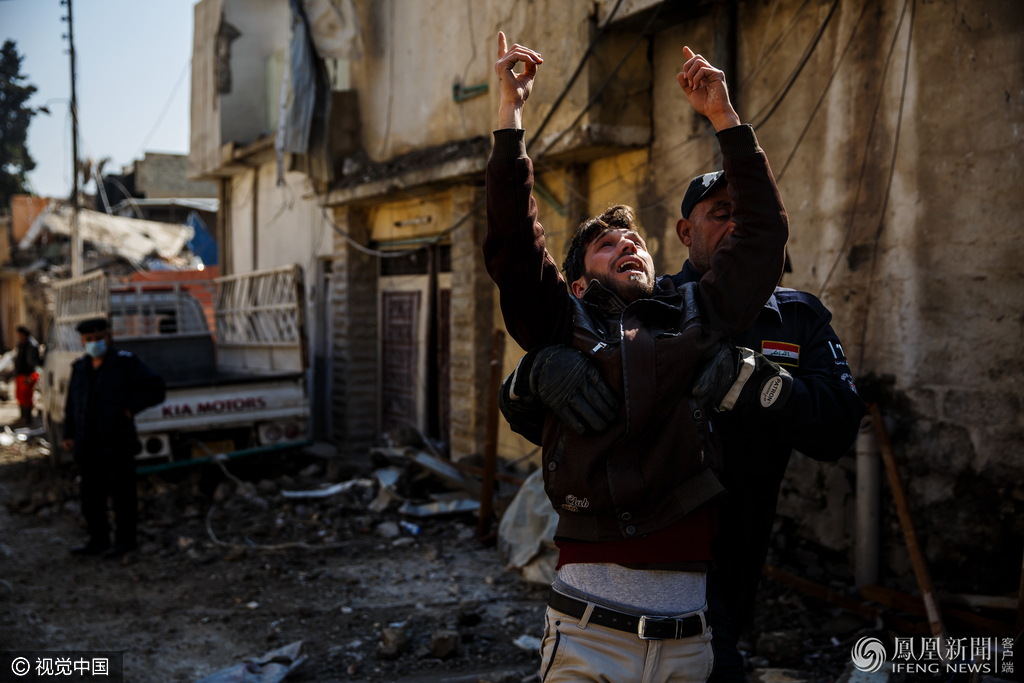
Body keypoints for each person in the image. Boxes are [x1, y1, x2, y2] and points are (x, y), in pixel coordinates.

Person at [485, 32, 789, 682]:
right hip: (588, 634)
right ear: (574, 282)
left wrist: (723, 119)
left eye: (633, 238)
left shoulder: (694, 319)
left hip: (689, 641)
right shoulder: (559, 323)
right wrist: (509, 118)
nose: (624, 240)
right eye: (602, 244)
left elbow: (762, 240)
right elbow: (514, 243)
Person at [502, 169, 866, 682]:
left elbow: (837, 427)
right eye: (720, 214)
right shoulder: (652, 307)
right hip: (659, 551)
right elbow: (557, 407)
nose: (735, 225)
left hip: (740, 541)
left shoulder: (799, 318)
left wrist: (754, 383)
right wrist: (533, 373)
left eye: (744, 213)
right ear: (684, 233)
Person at [62, 318, 165, 558]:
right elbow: (71, 405)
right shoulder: (79, 368)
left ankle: (125, 542)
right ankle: (97, 540)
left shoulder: (126, 363)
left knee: (122, 495)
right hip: (87, 444)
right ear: (82, 341)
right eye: (89, 339)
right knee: (90, 495)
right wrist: (68, 434)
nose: (95, 343)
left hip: (117, 441)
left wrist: (130, 408)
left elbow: (156, 388)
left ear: (109, 337)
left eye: (99, 338)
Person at [13, 325, 41, 426]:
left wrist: (28, 376)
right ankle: (23, 417)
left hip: (28, 375)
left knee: (27, 397)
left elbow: (32, 362)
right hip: (20, 374)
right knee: (20, 396)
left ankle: (28, 419)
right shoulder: (21, 344)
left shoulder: (31, 345)